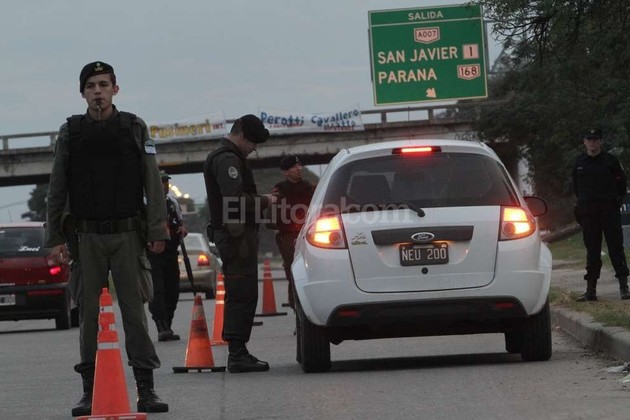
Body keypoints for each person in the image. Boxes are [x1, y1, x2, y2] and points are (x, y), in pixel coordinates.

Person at [45, 61, 169, 416]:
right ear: (82, 93)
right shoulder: (71, 133)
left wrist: (157, 229)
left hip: (128, 235)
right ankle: (89, 390)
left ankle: (146, 388)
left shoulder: (134, 127)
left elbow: (151, 181)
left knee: (134, 314)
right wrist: (55, 238)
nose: (97, 92)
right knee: (88, 317)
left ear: (115, 89)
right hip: (86, 238)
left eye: (103, 85)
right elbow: (57, 188)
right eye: (90, 86)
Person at [203, 114, 276, 373]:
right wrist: (265, 200)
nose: (254, 148)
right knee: (241, 293)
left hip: (238, 237)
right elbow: (235, 201)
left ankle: (238, 351)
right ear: (242, 136)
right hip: (236, 239)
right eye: (253, 142)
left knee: (243, 292)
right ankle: (237, 353)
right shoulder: (227, 160)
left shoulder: (230, 157)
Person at [572, 127, 630, 301]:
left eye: (596, 139)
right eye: (589, 139)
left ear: (601, 141)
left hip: (608, 210)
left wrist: (614, 202)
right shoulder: (579, 162)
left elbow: (621, 185)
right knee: (592, 251)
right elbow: (576, 187)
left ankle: (624, 287)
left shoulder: (610, 161)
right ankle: (591, 290)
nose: (593, 142)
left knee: (616, 248)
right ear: (584, 142)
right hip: (589, 213)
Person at [270, 155, 315, 309]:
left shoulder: (309, 188)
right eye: (294, 167)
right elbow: (272, 215)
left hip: (309, 234)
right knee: (293, 271)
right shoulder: (280, 190)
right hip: (288, 235)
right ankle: (295, 304)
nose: (299, 169)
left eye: (299, 165)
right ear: (285, 172)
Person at [148, 170, 187, 341]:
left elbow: (181, 222)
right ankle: (161, 325)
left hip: (171, 252)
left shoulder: (172, 202)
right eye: (162, 182)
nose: (165, 185)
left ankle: (168, 325)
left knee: (172, 290)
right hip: (153, 254)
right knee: (157, 291)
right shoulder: (145, 203)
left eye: (166, 182)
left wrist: (182, 229)